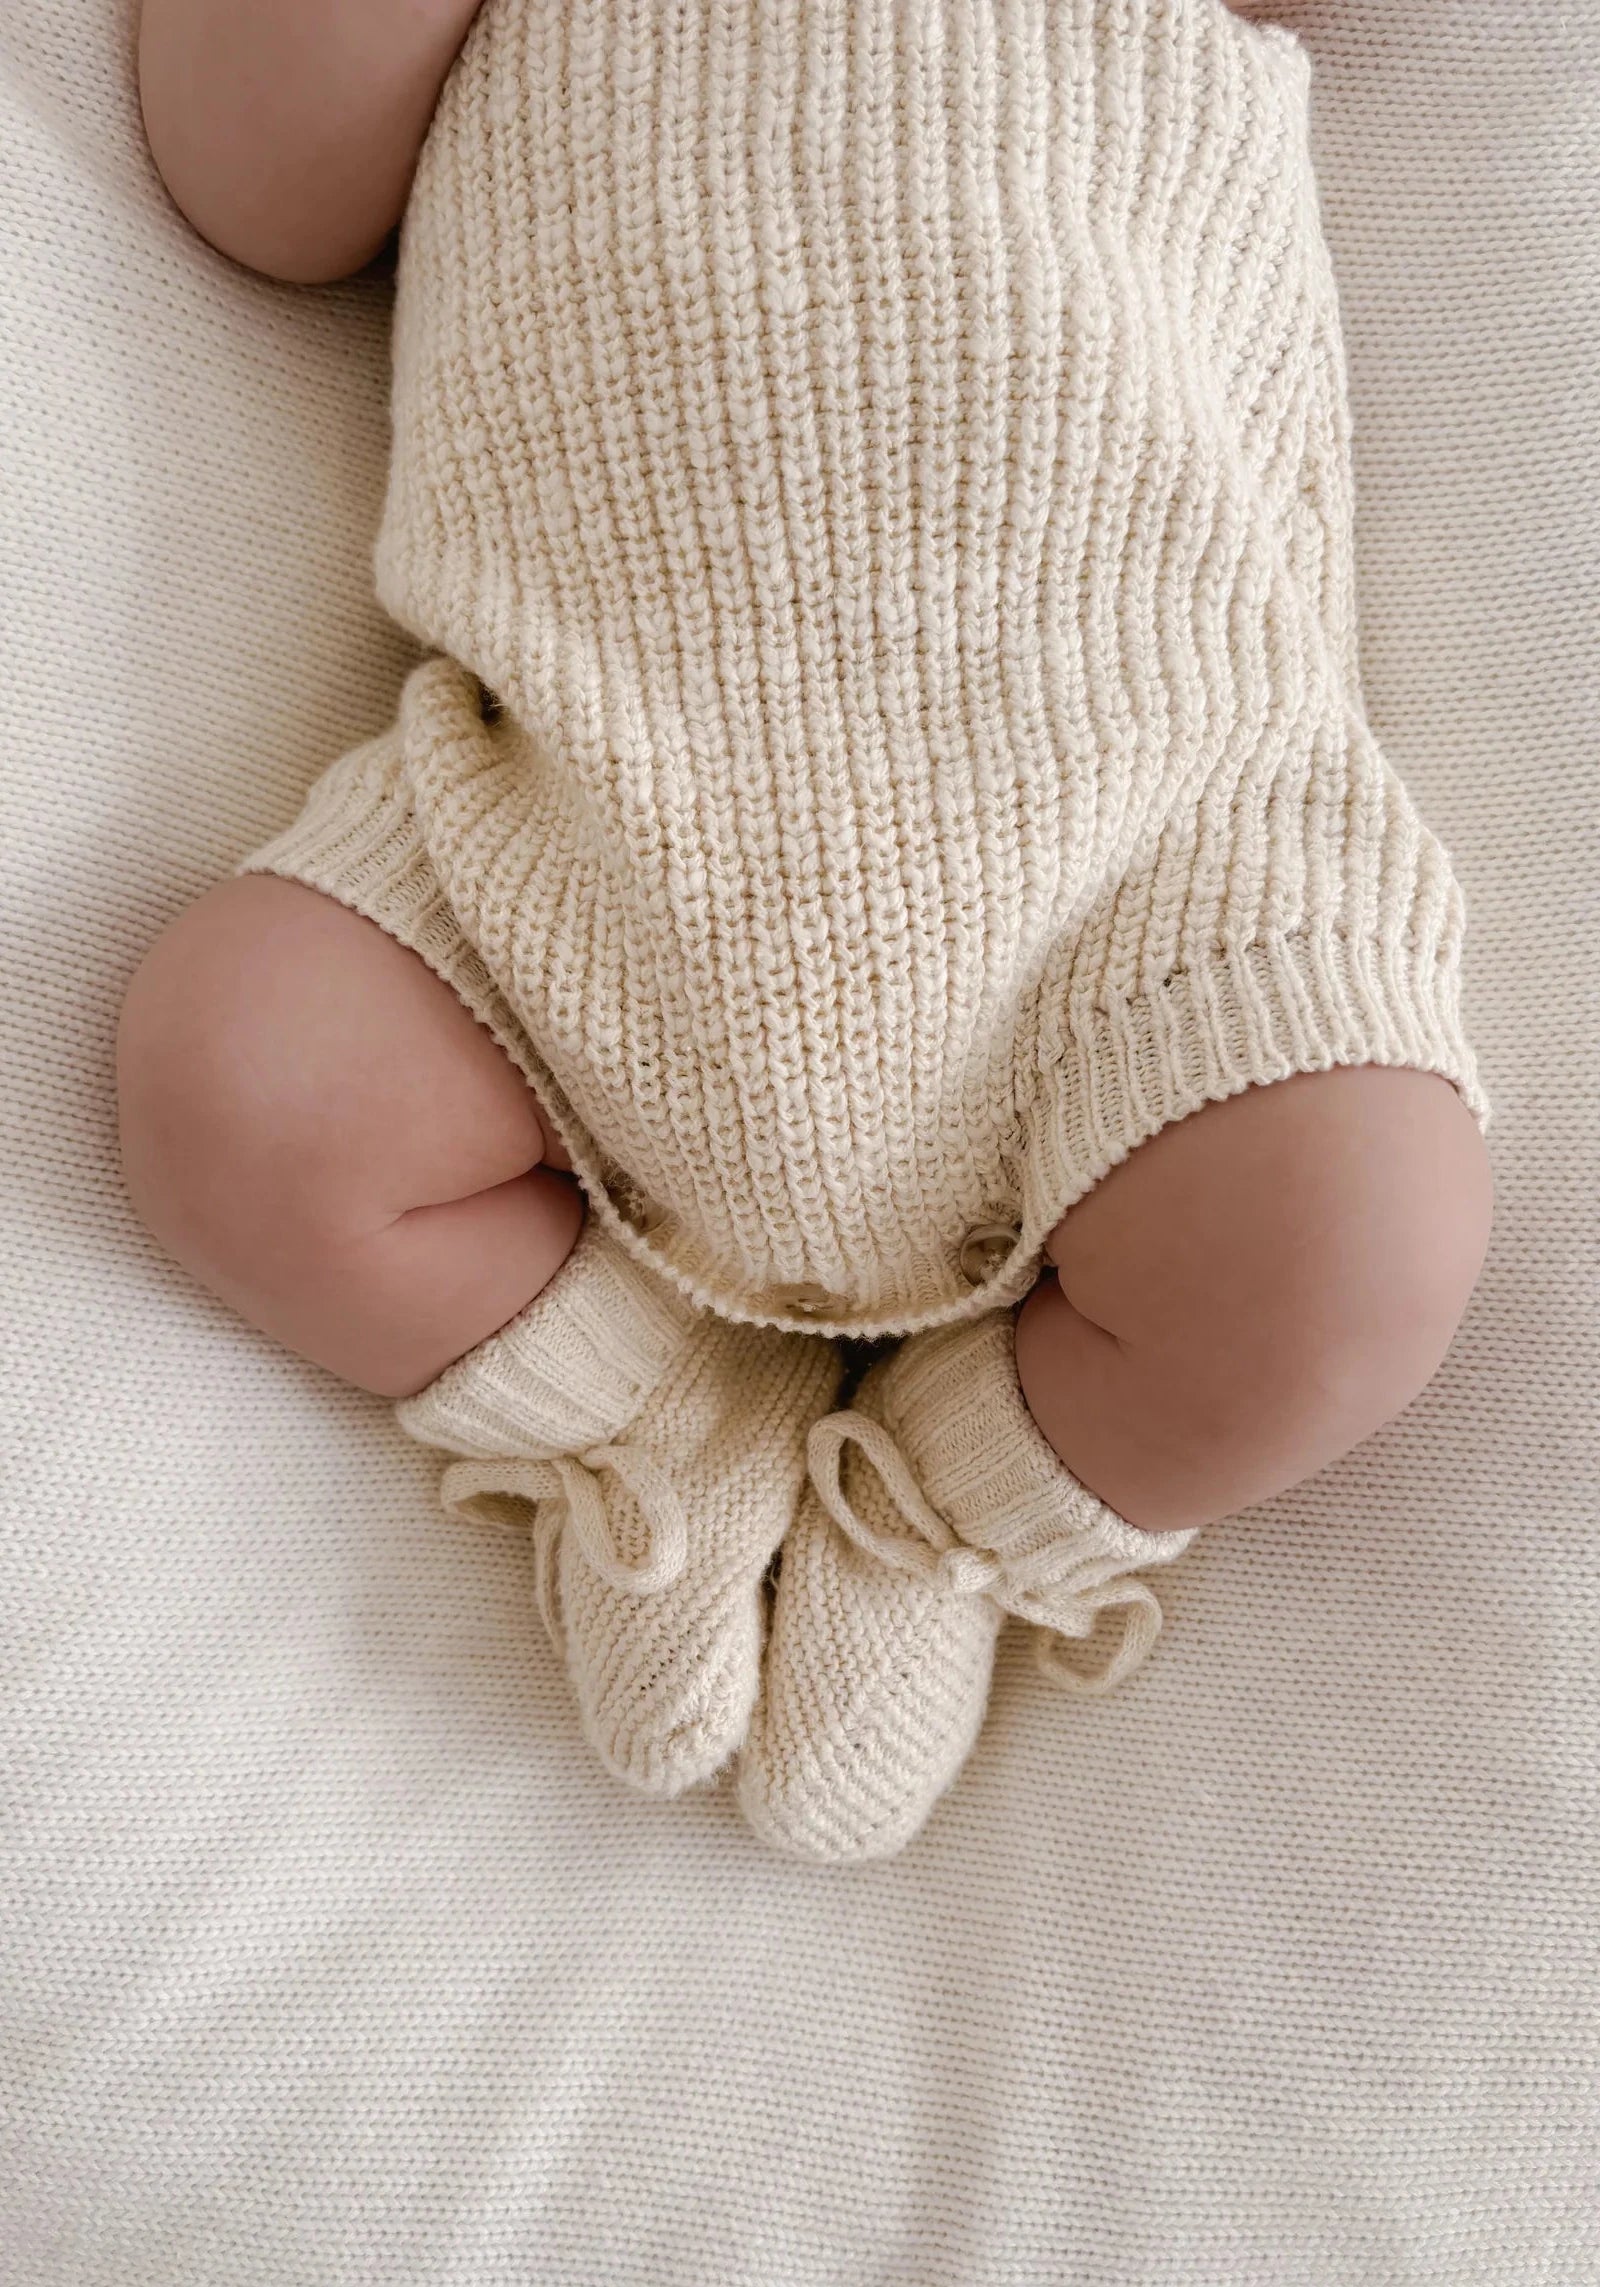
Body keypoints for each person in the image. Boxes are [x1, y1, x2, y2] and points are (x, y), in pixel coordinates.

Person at [117, 0, 1494, 1860]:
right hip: (570, 830)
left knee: (1358, 1247)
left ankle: (951, 1498)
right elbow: (257, 189)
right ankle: (650, 1411)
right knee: (244, 1071)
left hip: (1145, 853)